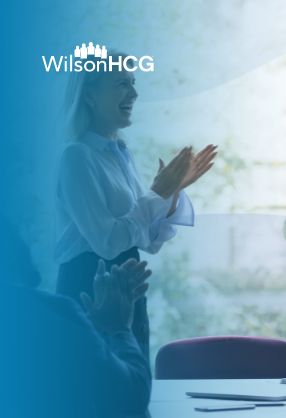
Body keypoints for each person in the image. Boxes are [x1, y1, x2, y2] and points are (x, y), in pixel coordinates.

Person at [54, 49, 217, 363]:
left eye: (133, 82)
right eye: (121, 84)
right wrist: (158, 193)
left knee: (131, 393)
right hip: (88, 291)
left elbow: (149, 240)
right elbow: (107, 242)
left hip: (128, 291)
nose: (134, 93)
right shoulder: (76, 156)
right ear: (89, 95)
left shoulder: (121, 154)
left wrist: (171, 192)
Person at [1, 216, 153, 418]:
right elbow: (133, 397)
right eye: (20, 233)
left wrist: (90, 333)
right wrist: (119, 327)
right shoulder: (54, 313)